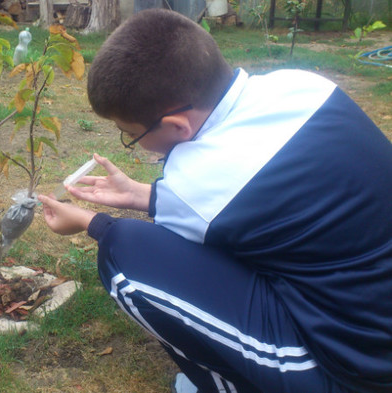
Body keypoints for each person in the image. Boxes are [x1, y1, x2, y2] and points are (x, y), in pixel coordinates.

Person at [37, 9, 392, 393]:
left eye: (130, 135)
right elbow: (252, 201)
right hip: (373, 318)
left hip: (349, 371)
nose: (131, 142)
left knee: (123, 251)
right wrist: (140, 194)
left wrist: (91, 222)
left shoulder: (196, 181)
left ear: (176, 126)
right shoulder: (300, 85)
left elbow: (181, 246)